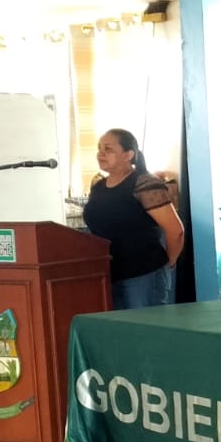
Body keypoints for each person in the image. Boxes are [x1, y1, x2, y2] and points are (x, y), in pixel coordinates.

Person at [82, 129, 184, 310]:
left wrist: (170, 261)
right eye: (99, 148)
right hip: (107, 273)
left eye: (108, 149)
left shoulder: (144, 184)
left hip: (142, 274)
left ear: (128, 155)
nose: (101, 154)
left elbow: (175, 231)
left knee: (146, 326)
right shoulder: (98, 187)